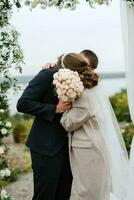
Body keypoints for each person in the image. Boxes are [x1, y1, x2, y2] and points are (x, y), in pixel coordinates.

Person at [57, 53, 128, 200]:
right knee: (92, 191)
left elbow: (69, 123)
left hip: (88, 151)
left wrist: (63, 107)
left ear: (71, 71)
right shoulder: (90, 88)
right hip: (91, 147)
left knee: (91, 193)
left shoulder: (84, 94)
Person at [16, 67, 72, 200]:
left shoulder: (80, 79)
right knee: (44, 196)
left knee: (64, 195)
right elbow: (23, 104)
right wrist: (55, 109)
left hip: (69, 148)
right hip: (45, 147)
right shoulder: (48, 74)